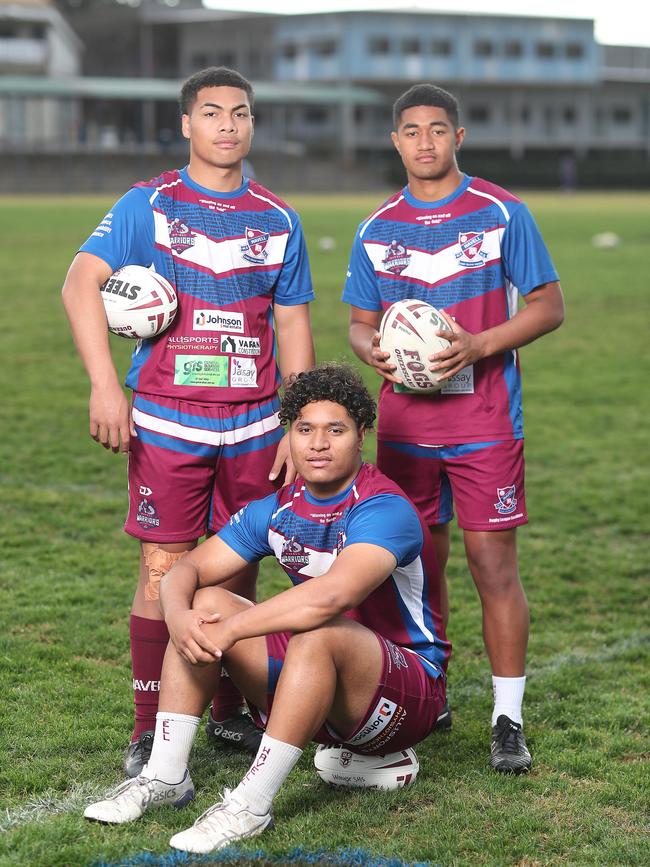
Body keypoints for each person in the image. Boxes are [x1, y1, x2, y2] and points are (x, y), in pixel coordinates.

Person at [61, 66, 315, 776]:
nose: (227, 125)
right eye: (211, 112)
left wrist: (299, 423)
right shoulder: (149, 204)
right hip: (167, 421)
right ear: (186, 124)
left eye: (239, 113)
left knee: (237, 575)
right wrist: (104, 385)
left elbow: (293, 325)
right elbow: (80, 280)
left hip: (256, 426)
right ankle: (148, 728)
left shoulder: (279, 216)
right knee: (161, 572)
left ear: (252, 124)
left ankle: (230, 711)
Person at [83, 365, 451, 854]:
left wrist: (232, 630)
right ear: (289, 436)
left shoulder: (384, 508)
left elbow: (329, 598)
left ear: (362, 435)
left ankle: (250, 806)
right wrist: (179, 616)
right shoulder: (279, 507)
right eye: (305, 429)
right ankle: (166, 777)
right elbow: (184, 570)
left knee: (317, 629)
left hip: (406, 695)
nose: (318, 444)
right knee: (205, 604)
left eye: (335, 430)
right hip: (317, 689)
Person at [343, 84, 564, 774]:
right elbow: (359, 321)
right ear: (396, 142)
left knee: (492, 566)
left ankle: (507, 717)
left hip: (485, 419)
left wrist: (479, 344)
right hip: (406, 427)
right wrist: (370, 349)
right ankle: (429, 691)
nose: (425, 142)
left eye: (438, 130)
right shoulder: (376, 227)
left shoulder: (502, 212)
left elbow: (550, 306)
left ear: (458, 138)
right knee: (415, 562)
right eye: (412, 131)